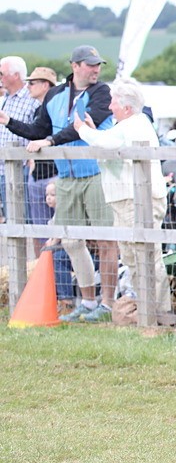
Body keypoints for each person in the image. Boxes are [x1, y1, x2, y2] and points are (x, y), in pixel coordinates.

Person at [0, 45, 118, 321]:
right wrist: (9, 122)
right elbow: (39, 131)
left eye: (98, 64)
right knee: (71, 240)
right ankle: (88, 303)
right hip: (66, 177)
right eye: (90, 64)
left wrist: (50, 141)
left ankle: (108, 303)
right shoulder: (55, 95)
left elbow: (82, 126)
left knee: (106, 240)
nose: (96, 69)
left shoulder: (101, 93)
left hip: (96, 172)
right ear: (75, 66)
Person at [73, 79, 176, 325]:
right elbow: (107, 140)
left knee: (146, 254)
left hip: (138, 200)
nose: (110, 107)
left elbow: (107, 142)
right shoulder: (127, 125)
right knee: (132, 256)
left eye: (113, 102)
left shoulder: (135, 124)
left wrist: (82, 130)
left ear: (126, 107)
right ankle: (147, 308)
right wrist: (92, 131)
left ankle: (159, 311)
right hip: (125, 199)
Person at [23, 67, 59, 246]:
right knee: (40, 227)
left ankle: (59, 270)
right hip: (38, 173)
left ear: (45, 85)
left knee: (58, 227)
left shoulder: (56, 111)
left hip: (53, 173)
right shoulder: (39, 111)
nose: (27, 86)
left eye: (32, 83)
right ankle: (43, 268)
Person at [0, 55, 37, 222]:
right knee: (12, 218)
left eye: (2, 73)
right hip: (4, 168)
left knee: (26, 218)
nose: (0, 78)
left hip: (22, 167)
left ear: (15, 75)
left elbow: (36, 131)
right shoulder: (5, 100)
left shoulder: (32, 101)